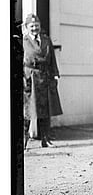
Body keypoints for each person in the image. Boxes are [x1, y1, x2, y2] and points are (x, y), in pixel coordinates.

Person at [23, 14, 62, 148]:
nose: (35, 28)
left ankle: (45, 139)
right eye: (32, 26)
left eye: (37, 26)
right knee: (27, 110)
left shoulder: (46, 40)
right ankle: (23, 141)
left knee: (45, 110)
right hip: (30, 78)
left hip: (45, 77)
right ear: (27, 28)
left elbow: (52, 59)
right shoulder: (23, 41)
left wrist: (55, 74)